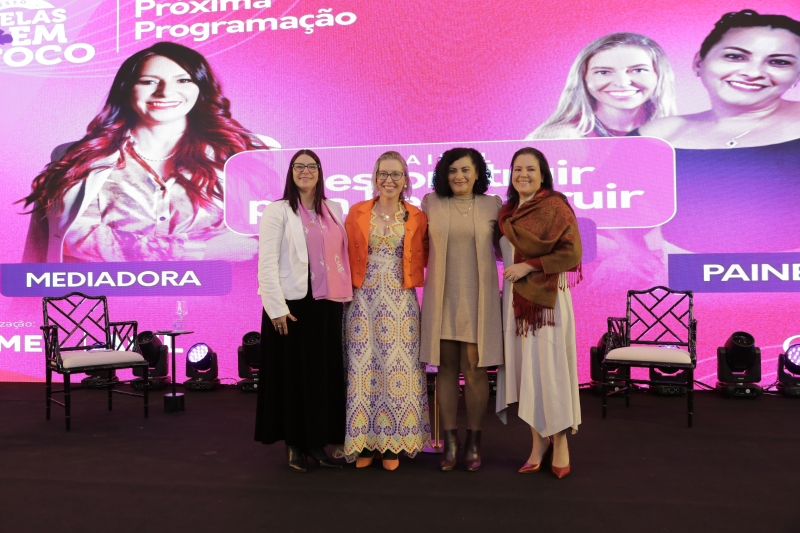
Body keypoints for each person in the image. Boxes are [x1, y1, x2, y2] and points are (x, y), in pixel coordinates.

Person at [20, 41, 278, 263]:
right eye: (148, 81)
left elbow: (256, 239)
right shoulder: (79, 157)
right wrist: (201, 250)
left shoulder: (244, 154)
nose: (165, 92)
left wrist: (127, 245)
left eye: (183, 80)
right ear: (127, 89)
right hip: (111, 297)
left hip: (219, 297)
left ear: (200, 88)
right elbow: (78, 238)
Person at [635, 10, 800, 257]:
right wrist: (639, 257)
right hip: (684, 277)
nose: (753, 73)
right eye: (735, 56)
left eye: (779, 62)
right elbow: (605, 214)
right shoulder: (658, 134)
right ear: (698, 62)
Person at [254, 149, 352, 473]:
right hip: (291, 306)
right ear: (291, 171)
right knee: (292, 377)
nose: (306, 171)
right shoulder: (278, 210)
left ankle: (316, 443)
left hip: (327, 305)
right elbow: (267, 263)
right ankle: (294, 444)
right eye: (299, 166)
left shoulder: (333, 208)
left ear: (320, 172)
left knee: (321, 376)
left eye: (312, 166)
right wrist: (275, 309)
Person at [338, 151, 431, 471]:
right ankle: (364, 442)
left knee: (397, 368)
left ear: (405, 179)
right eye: (383, 173)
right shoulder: (357, 211)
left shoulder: (417, 216)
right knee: (363, 368)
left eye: (395, 174)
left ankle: (392, 444)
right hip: (362, 298)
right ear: (375, 177)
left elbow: (425, 255)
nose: (389, 180)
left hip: (401, 299)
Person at [496, 147, 583, 479]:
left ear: (543, 174)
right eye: (517, 169)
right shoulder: (506, 214)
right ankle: (537, 443)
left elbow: (572, 254)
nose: (523, 175)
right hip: (516, 305)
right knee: (527, 373)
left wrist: (528, 266)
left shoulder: (555, 207)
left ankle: (559, 441)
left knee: (551, 371)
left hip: (548, 305)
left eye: (530, 169)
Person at [420, 147, 503, 472]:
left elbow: (506, 249)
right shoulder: (431, 202)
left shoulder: (492, 204)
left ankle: (474, 442)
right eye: (452, 170)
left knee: (475, 369)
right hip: (442, 297)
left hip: (479, 298)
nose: (459, 176)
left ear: (478, 172)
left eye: (466, 169)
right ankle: (450, 442)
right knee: (445, 369)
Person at [527, 33, 676, 139]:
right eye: (603, 72)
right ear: (583, 79)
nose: (621, 82)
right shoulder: (558, 139)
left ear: (659, 75)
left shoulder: (676, 134)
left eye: (638, 70)